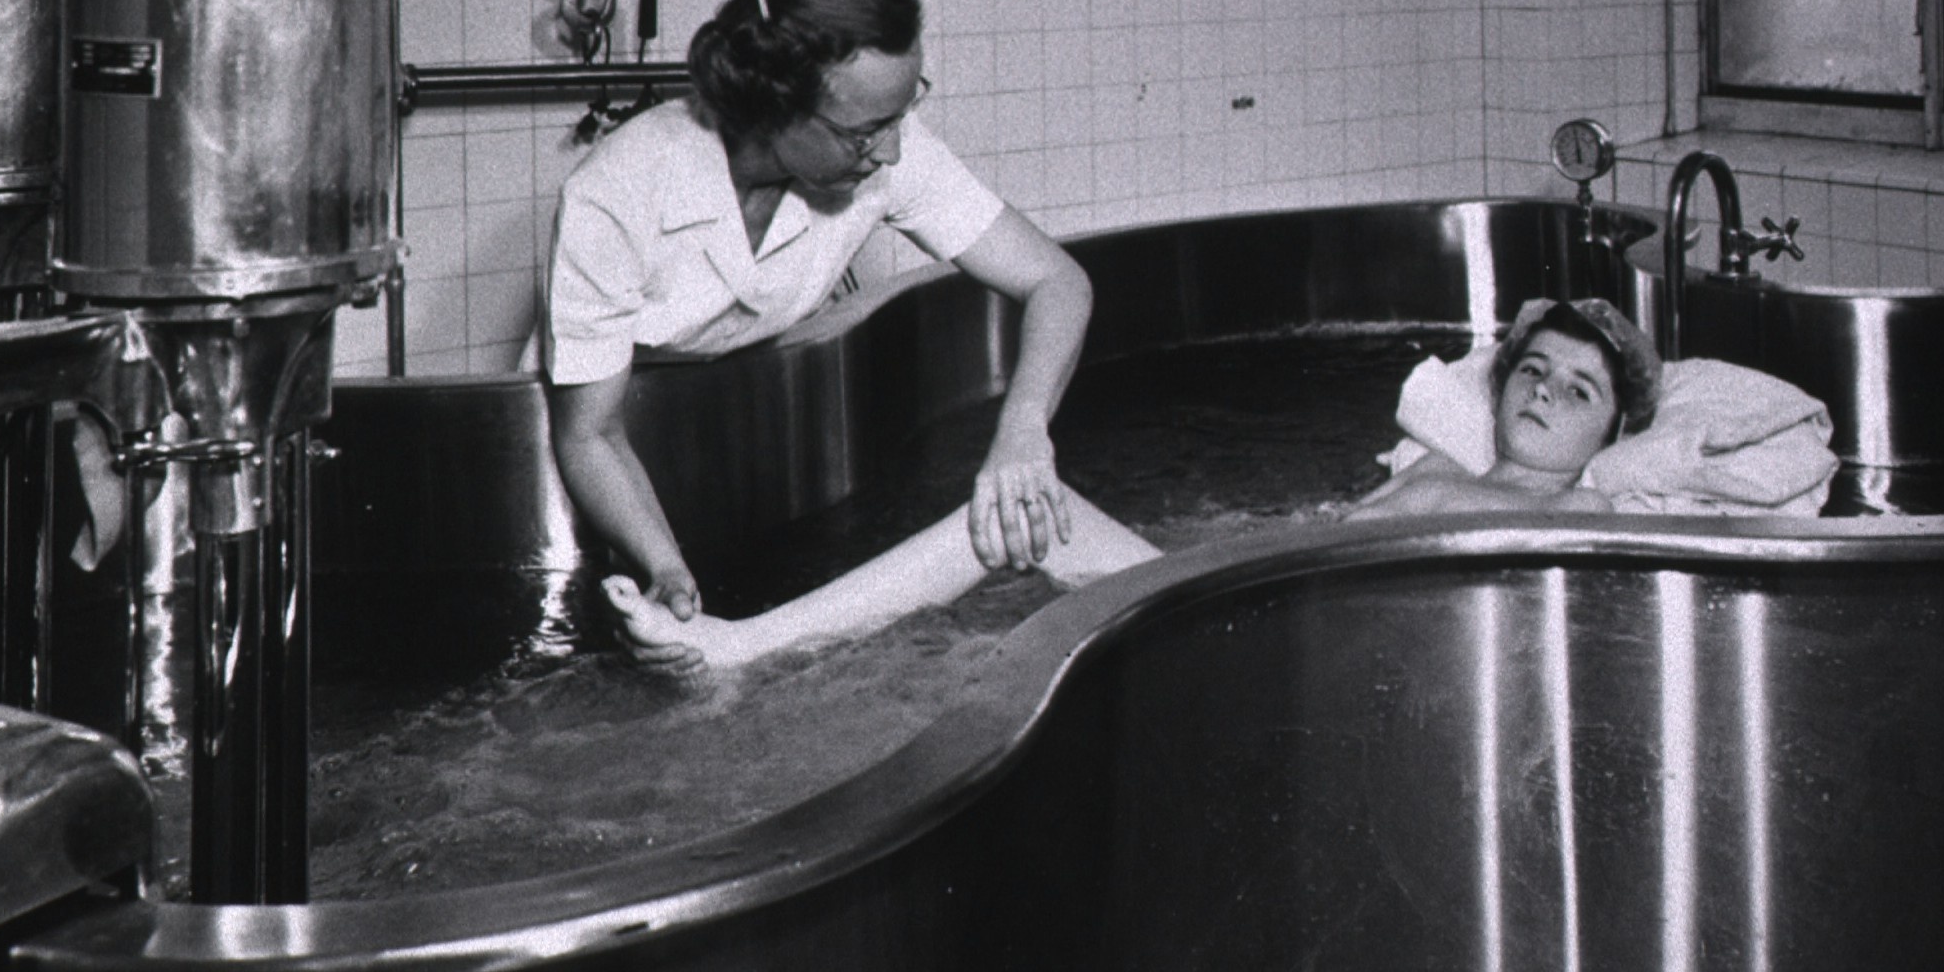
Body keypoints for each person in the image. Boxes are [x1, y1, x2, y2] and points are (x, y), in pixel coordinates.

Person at [606, 297, 1661, 678]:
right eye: (1533, 369)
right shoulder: (1444, 461)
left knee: (1026, 532)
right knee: (1017, 515)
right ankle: (741, 642)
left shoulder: (1584, 512)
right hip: (1250, 593)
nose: (1544, 392)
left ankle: (740, 647)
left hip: (1295, 639)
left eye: (1578, 390)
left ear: (1608, 430)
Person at [545, 0, 1092, 667]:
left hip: (745, 442)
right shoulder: (617, 192)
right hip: (608, 475)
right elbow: (591, 435)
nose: (892, 153)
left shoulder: (882, 152)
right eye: (865, 133)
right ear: (774, 104)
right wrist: (666, 568)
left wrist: (1023, 428)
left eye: (904, 111)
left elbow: (1058, 280)